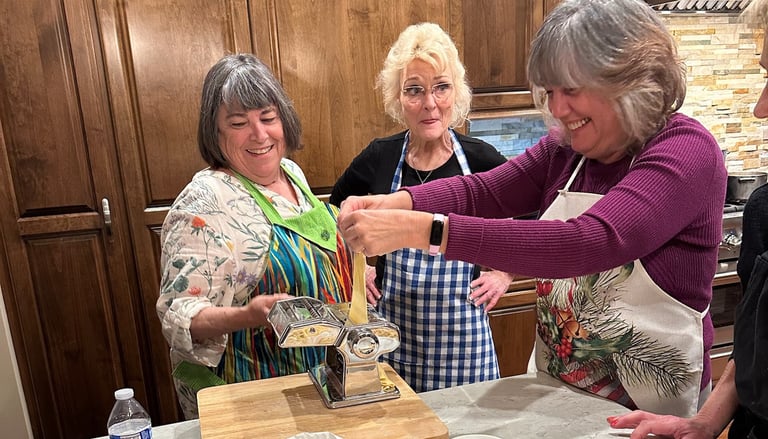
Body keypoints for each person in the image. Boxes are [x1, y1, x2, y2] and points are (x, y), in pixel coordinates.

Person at [337, 0, 725, 417]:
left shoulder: (685, 150)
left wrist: (423, 230)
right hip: (559, 395)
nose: (557, 110)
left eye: (571, 89)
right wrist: (396, 201)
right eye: (550, 91)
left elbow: (587, 242)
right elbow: (483, 191)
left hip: (652, 413)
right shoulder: (567, 150)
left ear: (629, 78)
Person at [156, 53, 352, 419]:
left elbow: (316, 250)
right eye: (238, 123)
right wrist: (247, 315)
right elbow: (178, 317)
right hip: (250, 395)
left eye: (268, 117)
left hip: (316, 382)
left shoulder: (291, 174)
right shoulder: (205, 202)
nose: (260, 135)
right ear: (215, 132)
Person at [608, 1, 768, 437]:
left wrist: (432, 229)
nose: (759, 109)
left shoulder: (687, 149)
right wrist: (701, 424)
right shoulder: (763, 212)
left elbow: (598, 237)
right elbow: (752, 352)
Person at [329, 22, 510, 393]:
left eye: (441, 87)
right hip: (394, 342)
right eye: (415, 90)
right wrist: (356, 269)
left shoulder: (480, 159)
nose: (430, 103)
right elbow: (333, 213)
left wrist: (504, 274)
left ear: (455, 92)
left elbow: (531, 222)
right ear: (398, 98)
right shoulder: (380, 157)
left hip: (465, 350)